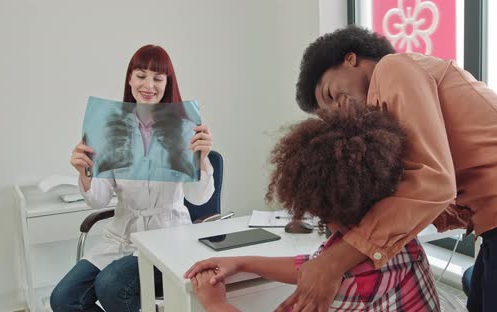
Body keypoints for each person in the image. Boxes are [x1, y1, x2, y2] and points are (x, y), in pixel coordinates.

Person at [274, 25, 497, 312]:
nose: (339, 108)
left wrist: (333, 262)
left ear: (349, 59)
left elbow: (433, 182)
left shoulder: (393, 68)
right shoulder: (390, 110)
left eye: (330, 94)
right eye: (330, 113)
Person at [185, 104, 441, 311]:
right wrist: (242, 263)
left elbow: (323, 272)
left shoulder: (345, 284)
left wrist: (215, 302)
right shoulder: (397, 236)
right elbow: (317, 266)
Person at [50, 44, 215, 312]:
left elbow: (199, 197)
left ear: (167, 83)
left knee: (112, 284)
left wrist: (202, 158)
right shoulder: (110, 128)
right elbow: (99, 199)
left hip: (167, 237)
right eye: (141, 75)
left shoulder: (184, 129)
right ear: (129, 79)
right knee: (63, 298)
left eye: (157, 78)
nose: (148, 84)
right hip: (121, 236)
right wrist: (85, 173)